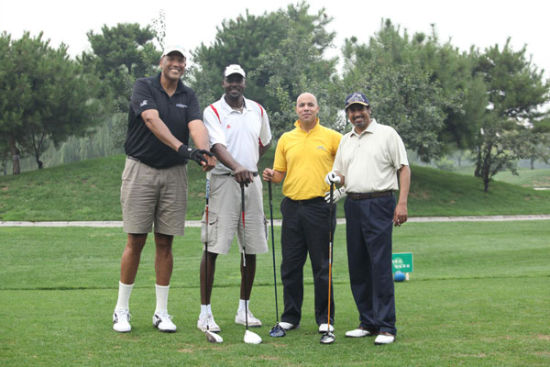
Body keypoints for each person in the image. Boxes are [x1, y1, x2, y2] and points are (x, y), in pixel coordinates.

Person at [112, 45, 215, 333]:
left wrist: (203, 152)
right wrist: (185, 149)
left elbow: (196, 124)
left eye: (181, 61)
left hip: (173, 173)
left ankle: (161, 312)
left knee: (165, 242)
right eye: (172, 59)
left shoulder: (188, 94)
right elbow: (151, 120)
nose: (177, 64)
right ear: (161, 62)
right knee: (136, 240)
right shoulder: (143, 86)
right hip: (141, 169)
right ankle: (121, 310)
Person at [326, 92, 410, 345]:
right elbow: (341, 174)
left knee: (380, 265)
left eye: (360, 109)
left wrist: (402, 203)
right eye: (351, 110)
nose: (356, 114)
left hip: (380, 202)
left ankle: (386, 326)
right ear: (348, 114)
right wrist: (334, 179)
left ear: (368, 109)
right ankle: (368, 322)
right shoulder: (346, 140)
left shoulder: (387, 134)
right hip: (353, 205)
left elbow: (403, 168)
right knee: (358, 265)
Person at [198, 64, 272, 332]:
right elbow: (217, 146)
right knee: (213, 247)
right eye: (230, 80)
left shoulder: (258, 110)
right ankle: (205, 313)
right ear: (223, 83)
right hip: (223, 182)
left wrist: (248, 166)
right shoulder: (213, 111)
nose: (234, 85)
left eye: (238, 80)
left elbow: (265, 142)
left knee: (251, 247)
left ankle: (244, 309)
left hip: (250, 182)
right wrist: (236, 166)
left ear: (244, 83)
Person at [262, 93, 342, 333]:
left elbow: (348, 167)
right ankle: (291, 315)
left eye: (310, 105)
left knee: (321, 265)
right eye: (301, 105)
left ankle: (325, 318)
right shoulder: (287, 139)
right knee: (291, 265)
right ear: (296, 110)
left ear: (317, 108)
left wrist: (342, 188)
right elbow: (279, 174)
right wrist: (270, 175)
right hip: (292, 207)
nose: (306, 108)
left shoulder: (332, 137)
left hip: (321, 206)